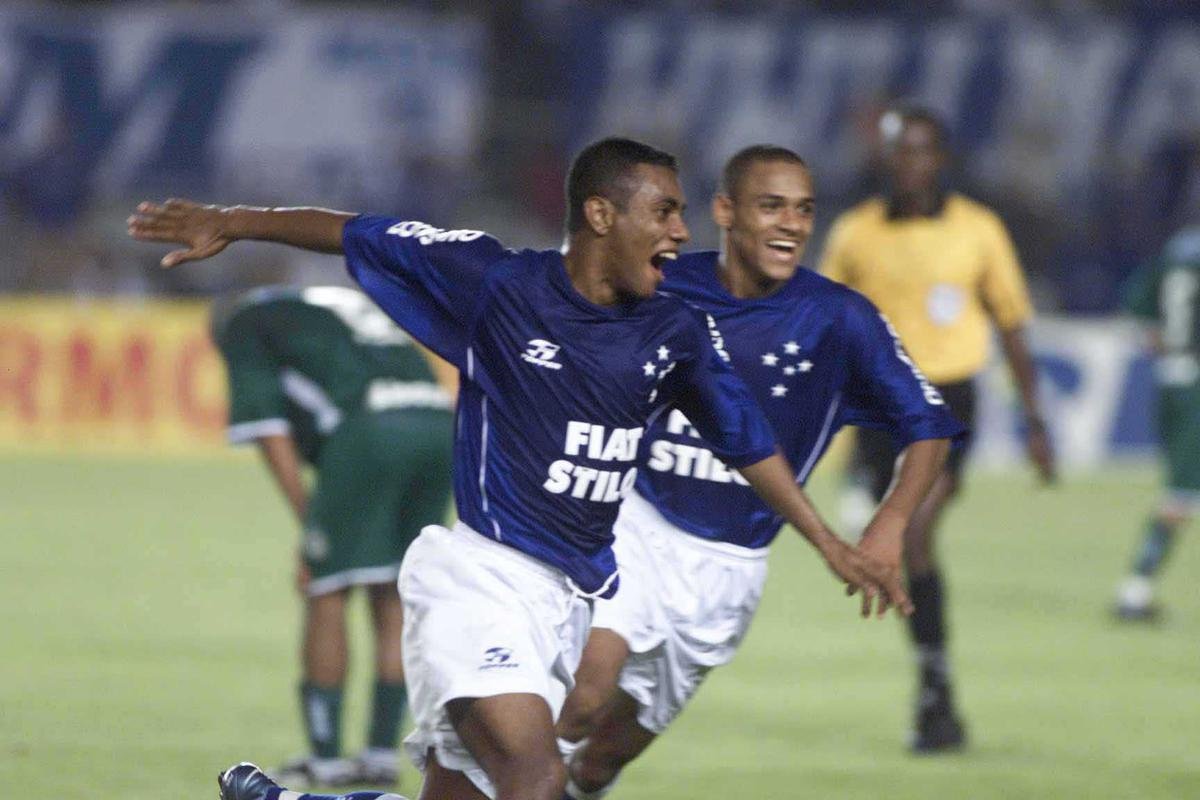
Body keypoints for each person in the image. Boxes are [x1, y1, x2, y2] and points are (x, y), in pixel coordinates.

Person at [128, 137, 912, 800]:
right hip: (482, 579)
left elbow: (745, 440)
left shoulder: (673, 329)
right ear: (602, 215)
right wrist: (231, 221)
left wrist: (825, 542)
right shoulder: (499, 285)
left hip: (569, 601)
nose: (680, 232)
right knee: (538, 785)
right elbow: (358, 232)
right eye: (664, 211)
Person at [554, 145, 964, 799]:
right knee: (582, 698)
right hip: (635, 524)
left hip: (731, 570)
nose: (792, 224)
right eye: (771, 205)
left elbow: (930, 424)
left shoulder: (839, 317)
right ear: (725, 211)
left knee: (604, 760)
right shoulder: (663, 284)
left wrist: (889, 524)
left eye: (803, 209)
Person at [820, 105, 1057, 752]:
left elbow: (1010, 323)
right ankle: (936, 690)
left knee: (914, 529)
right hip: (878, 409)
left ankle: (935, 692)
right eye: (899, 151)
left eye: (922, 150)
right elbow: (822, 326)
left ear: (941, 159)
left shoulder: (979, 230)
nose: (910, 163)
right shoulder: (855, 232)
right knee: (909, 546)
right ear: (885, 158)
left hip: (948, 403)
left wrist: (1035, 420)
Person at [211, 285, 455, 788]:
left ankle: (324, 759)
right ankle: (380, 755)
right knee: (393, 591)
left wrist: (311, 524)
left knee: (326, 588)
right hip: (439, 426)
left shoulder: (242, 325)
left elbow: (269, 429)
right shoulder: (326, 304)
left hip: (369, 430)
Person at [1113, 225, 1200, 621]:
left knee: (1183, 491)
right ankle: (1134, 592)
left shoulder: (1177, 249)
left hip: (1170, 380)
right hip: (1195, 388)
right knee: (1181, 495)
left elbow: (1138, 309)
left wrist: (1171, 345)